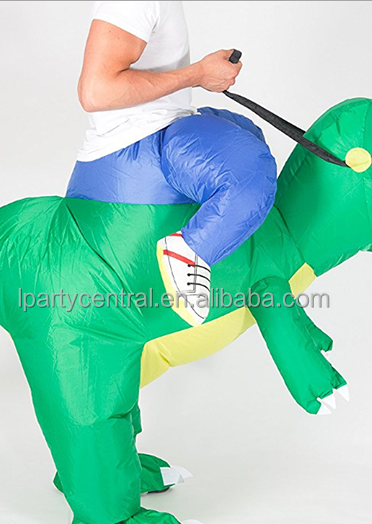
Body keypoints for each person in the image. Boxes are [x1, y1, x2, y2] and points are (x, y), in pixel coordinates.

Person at [67, 1, 277, 325]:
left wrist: (205, 75)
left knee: (245, 132)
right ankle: (189, 251)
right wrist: (199, 74)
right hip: (136, 145)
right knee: (250, 171)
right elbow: (96, 91)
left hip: (153, 131)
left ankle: (216, 249)